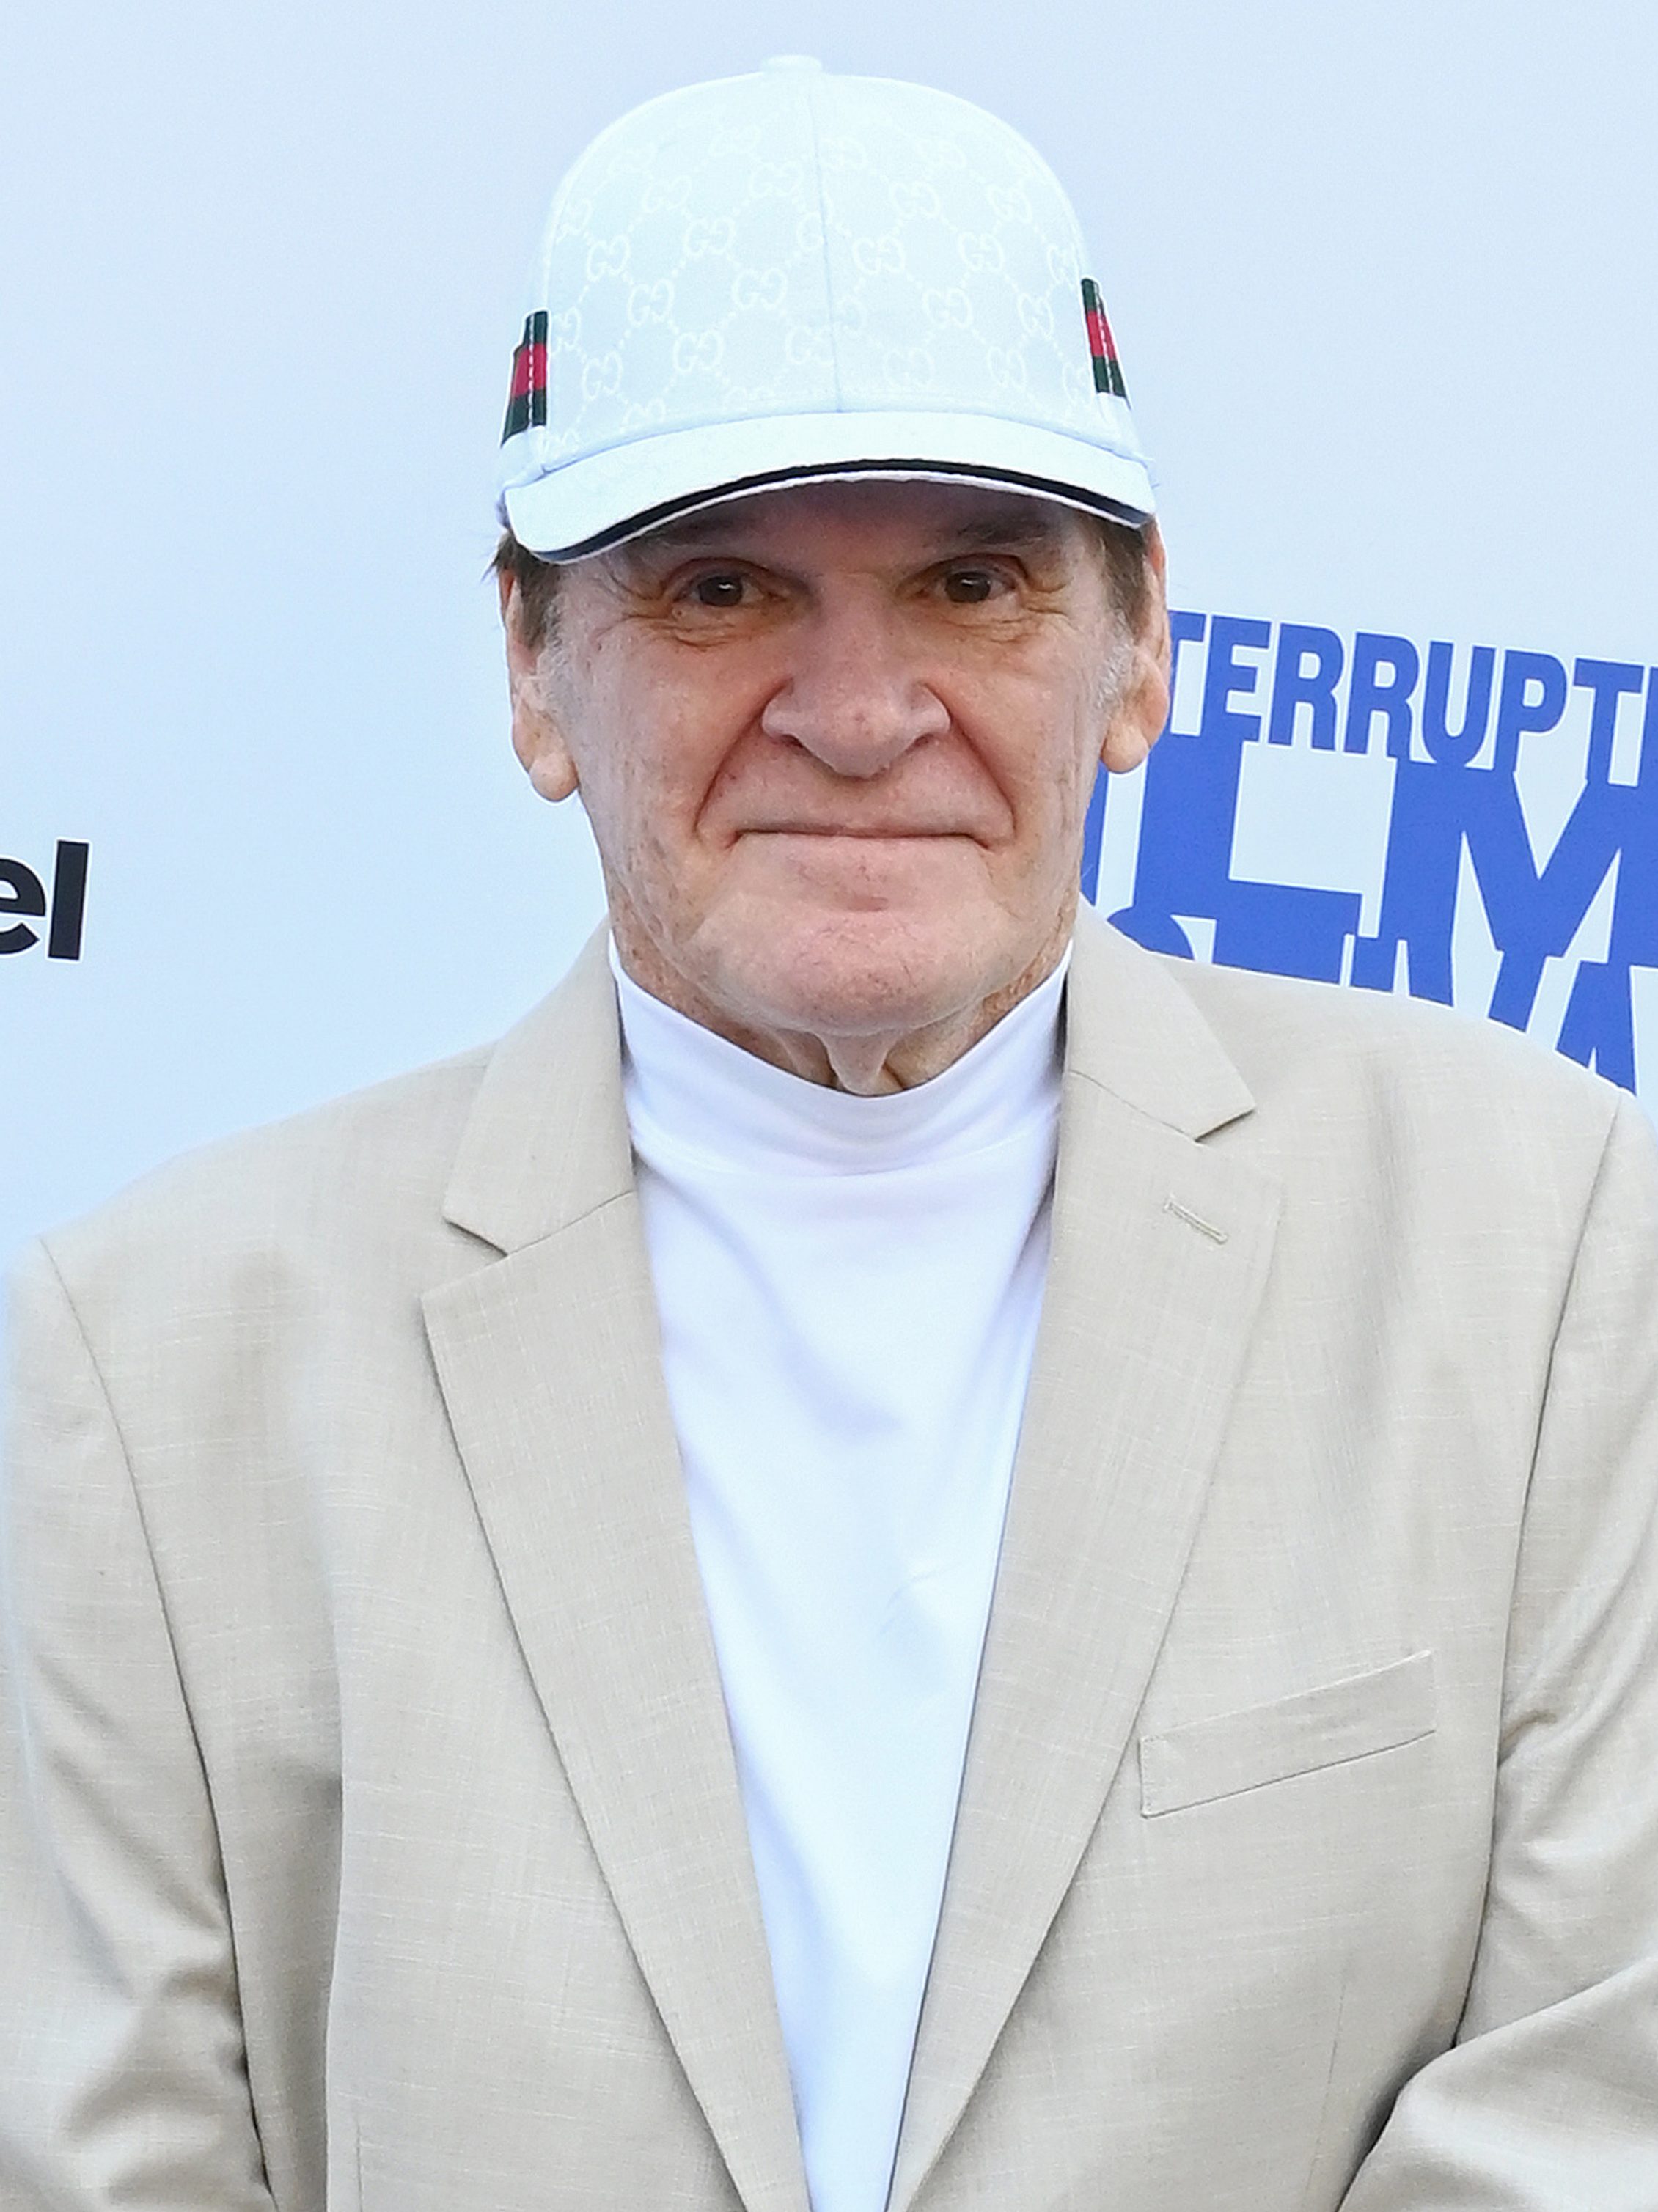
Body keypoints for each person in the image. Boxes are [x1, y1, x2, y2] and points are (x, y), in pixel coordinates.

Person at [3, 57, 1656, 2212]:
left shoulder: (1545, 1252)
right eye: (719, 591)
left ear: (1143, 643)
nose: (862, 713)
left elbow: (1594, 2096)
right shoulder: (155, 1370)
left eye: (975, 583)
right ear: (528, 663)